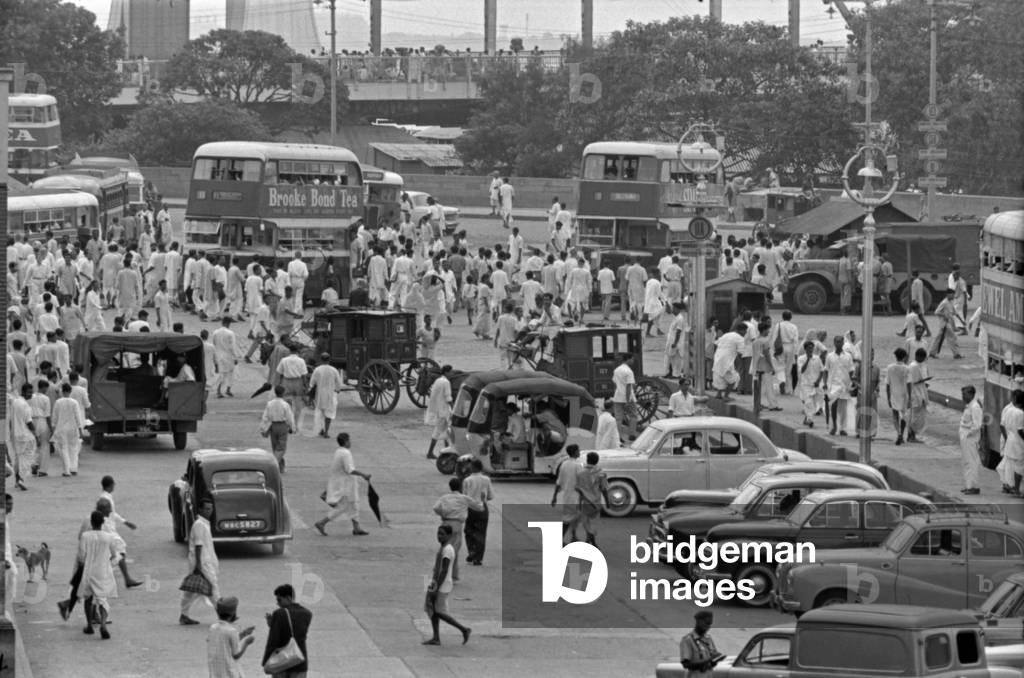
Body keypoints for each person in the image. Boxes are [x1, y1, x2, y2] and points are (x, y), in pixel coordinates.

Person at [422, 524, 472, 646]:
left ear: (449, 536)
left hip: (442, 584)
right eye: (438, 534)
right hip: (436, 581)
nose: (439, 537)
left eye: (442, 534)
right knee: (431, 609)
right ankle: (436, 637)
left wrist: (435, 588)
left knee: (438, 611)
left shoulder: (448, 550)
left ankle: (463, 629)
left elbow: (444, 571)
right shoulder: (443, 548)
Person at [314, 432, 371, 536]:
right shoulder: (346, 453)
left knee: (354, 505)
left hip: (343, 483)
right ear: (346, 441)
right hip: (345, 486)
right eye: (349, 440)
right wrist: (364, 475)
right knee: (343, 507)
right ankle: (322, 522)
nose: (350, 442)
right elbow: (350, 470)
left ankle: (356, 527)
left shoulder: (339, 451)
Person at [78, 510, 119, 639]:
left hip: (89, 571)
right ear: (102, 522)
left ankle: (89, 625)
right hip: (103, 571)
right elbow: (114, 555)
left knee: (88, 599)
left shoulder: (85, 536)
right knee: (102, 599)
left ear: (91, 522)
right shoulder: (108, 537)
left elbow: (81, 556)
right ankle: (102, 624)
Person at [432, 477, 483, 582]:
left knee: (443, 548)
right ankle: (451, 575)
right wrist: (482, 499)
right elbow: (479, 507)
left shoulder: (444, 497)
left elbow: (436, 508)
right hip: (457, 525)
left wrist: (442, 514)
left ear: (450, 487)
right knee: (453, 551)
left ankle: (437, 572)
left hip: (445, 523)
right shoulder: (464, 498)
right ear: (460, 487)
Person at [180, 498, 219, 625]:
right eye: (206, 509)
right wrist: (198, 565)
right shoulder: (199, 525)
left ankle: (184, 615)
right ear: (200, 509)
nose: (209, 511)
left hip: (204, 561)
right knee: (212, 587)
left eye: (211, 508)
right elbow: (198, 545)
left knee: (191, 590)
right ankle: (223, 615)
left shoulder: (204, 524)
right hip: (202, 562)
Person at [263, 584, 312, 677]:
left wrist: (266, 660)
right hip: (299, 660)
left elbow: (273, 640)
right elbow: (296, 632)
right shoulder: (307, 613)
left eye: (279, 600)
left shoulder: (279, 613)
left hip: (282, 661)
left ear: (289, 598)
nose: (278, 603)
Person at [207, 596, 255, 678]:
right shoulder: (231, 631)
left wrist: (243, 634)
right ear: (232, 614)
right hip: (229, 672)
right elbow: (236, 654)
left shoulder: (213, 628)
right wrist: (246, 643)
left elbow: (225, 642)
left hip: (216, 672)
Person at [572, 452, 609, 548]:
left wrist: (579, 502)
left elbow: (578, 489)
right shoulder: (601, 474)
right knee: (593, 523)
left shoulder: (580, 473)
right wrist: (608, 502)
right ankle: (591, 542)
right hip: (596, 503)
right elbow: (604, 489)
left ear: (587, 460)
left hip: (584, 502)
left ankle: (589, 541)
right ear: (597, 461)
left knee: (586, 523)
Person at [462, 459, 494, 566]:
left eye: (471, 466)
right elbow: (490, 496)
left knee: (468, 530)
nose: (469, 467)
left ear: (474, 467)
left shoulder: (467, 480)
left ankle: (471, 550)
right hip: (482, 508)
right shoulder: (486, 479)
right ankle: (478, 558)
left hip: (471, 508)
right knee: (481, 533)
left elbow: (464, 496)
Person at [51, 383, 86, 476]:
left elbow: (54, 417)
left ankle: (66, 471)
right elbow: (78, 417)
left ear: (62, 391)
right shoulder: (74, 402)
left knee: (64, 449)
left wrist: (53, 428)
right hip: (73, 428)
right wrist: (80, 430)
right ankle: (74, 468)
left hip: (61, 428)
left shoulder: (58, 402)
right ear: (70, 391)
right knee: (73, 448)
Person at [261, 385, 296, 472]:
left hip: (273, 426)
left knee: (275, 446)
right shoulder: (285, 405)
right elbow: (289, 417)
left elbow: (265, 417)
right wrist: (292, 427)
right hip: (282, 426)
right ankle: (274, 464)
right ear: (283, 393)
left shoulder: (270, 403)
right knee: (281, 447)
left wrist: (263, 428)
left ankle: (281, 467)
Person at [308, 353, 344, 438]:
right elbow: (338, 383)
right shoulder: (334, 370)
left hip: (319, 395)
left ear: (321, 360)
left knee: (320, 412)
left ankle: (321, 429)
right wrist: (338, 390)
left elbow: (312, 383)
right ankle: (326, 432)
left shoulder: (317, 370)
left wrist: (310, 392)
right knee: (329, 413)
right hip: (331, 394)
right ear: (329, 360)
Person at [825, 335, 854, 436]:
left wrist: (853, 382)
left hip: (845, 384)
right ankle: (834, 426)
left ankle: (842, 428)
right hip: (833, 384)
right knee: (833, 405)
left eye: (840, 342)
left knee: (843, 408)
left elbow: (851, 370)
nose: (838, 343)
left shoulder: (848, 356)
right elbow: (826, 370)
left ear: (843, 343)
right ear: (834, 343)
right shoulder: (829, 356)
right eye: (836, 342)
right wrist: (824, 383)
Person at [679, 610, 722, 678]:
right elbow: (686, 664)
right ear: (699, 622)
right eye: (707, 623)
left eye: (710, 624)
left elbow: (712, 660)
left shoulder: (708, 639)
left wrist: (716, 659)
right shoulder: (688, 640)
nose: (709, 627)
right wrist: (708, 660)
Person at [425, 365, 454, 460]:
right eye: (450, 372)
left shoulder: (438, 380)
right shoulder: (446, 382)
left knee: (445, 430)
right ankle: (430, 452)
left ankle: (446, 450)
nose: (452, 373)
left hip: (438, 409)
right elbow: (448, 397)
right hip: (443, 410)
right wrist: (453, 408)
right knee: (438, 431)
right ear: (446, 372)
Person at [959, 385, 983, 495]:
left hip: (970, 439)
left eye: (964, 394)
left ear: (971, 394)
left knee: (972, 462)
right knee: (966, 462)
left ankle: (973, 486)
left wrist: (968, 434)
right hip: (966, 438)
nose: (963, 396)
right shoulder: (969, 406)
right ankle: (969, 485)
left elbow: (977, 424)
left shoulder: (975, 407)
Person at [1000, 391, 1024, 496]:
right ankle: (1016, 490)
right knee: (1019, 466)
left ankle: (1011, 486)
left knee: (1012, 465)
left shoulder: (1009, 410)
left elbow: (1003, 425)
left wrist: (1006, 438)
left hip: (1010, 439)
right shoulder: (1020, 413)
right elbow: (1020, 430)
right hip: (1018, 441)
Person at [796, 341, 824, 427]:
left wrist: (818, 381)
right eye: (809, 348)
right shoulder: (801, 359)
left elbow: (822, 371)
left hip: (816, 384)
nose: (810, 350)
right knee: (808, 403)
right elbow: (802, 370)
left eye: (812, 348)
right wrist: (808, 359)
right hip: (806, 385)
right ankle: (810, 420)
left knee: (815, 404)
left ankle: (807, 418)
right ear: (805, 349)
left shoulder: (817, 358)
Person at [885, 348, 911, 445]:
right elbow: (909, 384)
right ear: (904, 357)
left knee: (895, 415)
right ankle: (902, 434)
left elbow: (887, 384)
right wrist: (910, 397)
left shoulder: (890, 367)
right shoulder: (907, 368)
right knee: (904, 415)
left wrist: (888, 397)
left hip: (894, 393)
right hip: (904, 394)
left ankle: (898, 433)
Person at [211, 317, 240, 398]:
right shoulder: (230, 333)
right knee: (231, 373)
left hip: (219, 355)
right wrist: (235, 357)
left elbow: (214, 344)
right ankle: (227, 389)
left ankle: (219, 390)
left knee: (222, 373)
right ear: (228, 323)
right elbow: (232, 346)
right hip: (228, 356)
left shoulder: (215, 332)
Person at [907, 349, 931, 444]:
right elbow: (914, 380)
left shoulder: (918, 365)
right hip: (915, 392)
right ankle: (911, 435)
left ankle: (912, 435)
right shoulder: (914, 366)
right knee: (915, 416)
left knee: (918, 415)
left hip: (919, 391)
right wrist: (924, 379)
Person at [930, 290, 963, 359]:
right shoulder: (944, 303)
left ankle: (932, 353)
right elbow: (936, 312)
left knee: (938, 338)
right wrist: (944, 315)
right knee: (952, 337)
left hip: (948, 324)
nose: (953, 296)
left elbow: (955, 312)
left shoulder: (950, 302)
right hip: (944, 324)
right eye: (952, 295)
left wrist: (961, 321)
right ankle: (956, 354)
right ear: (948, 294)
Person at [612, 353, 638, 441]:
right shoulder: (629, 371)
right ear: (628, 359)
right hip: (628, 398)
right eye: (632, 359)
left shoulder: (616, 370)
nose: (633, 361)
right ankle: (632, 435)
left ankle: (618, 436)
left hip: (618, 397)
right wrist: (627, 400)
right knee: (633, 416)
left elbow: (615, 384)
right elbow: (628, 387)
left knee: (618, 418)